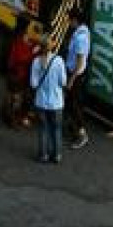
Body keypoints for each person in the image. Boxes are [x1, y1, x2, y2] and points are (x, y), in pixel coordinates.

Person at [30, 33, 66, 163]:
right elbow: (63, 82)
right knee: (56, 129)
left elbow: (33, 84)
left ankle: (43, 155)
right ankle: (56, 155)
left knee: (43, 129)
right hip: (56, 103)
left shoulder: (36, 62)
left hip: (41, 102)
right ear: (51, 46)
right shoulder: (59, 61)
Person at [2, 14, 38, 128]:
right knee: (16, 98)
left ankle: (8, 115)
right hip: (18, 73)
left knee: (11, 95)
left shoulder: (14, 34)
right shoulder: (19, 38)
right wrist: (33, 52)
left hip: (13, 72)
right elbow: (21, 58)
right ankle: (12, 120)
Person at [65, 7, 91, 149]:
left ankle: (82, 134)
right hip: (76, 74)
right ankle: (74, 126)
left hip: (76, 75)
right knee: (72, 102)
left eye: (69, 19)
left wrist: (71, 79)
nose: (68, 22)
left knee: (74, 105)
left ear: (75, 20)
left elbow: (80, 63)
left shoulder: (80, 38)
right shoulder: (83, 31)